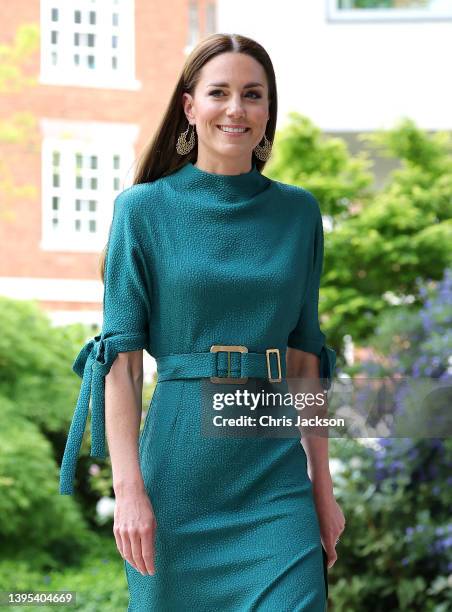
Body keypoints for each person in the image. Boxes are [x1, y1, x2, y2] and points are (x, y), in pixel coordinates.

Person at [59, 32, 345, 611]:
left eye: (253, 94)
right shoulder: (142, 211)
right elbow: (123, 364)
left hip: (275, 481)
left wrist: (324, 488)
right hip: (178, 483)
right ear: (190, 106)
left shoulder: (298, 212)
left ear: (269, 109)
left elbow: (307, 357)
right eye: (220, 92)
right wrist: (129, 490)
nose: (237, 109)